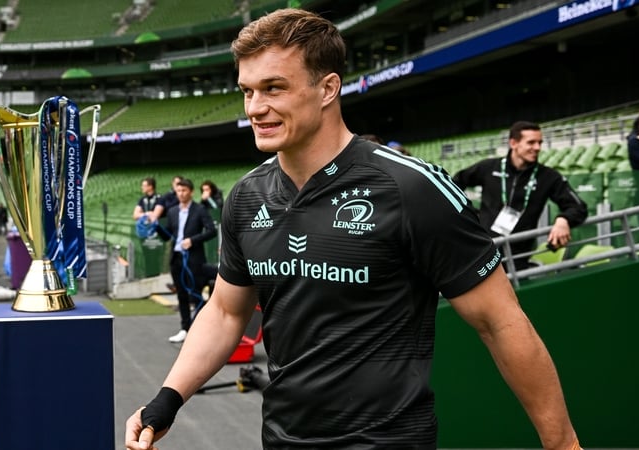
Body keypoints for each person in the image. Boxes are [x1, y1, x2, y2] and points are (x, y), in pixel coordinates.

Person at [125, 9, 580, 450]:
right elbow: (226, 312)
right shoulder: (246, 197)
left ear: (327, 89)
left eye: (273, 88)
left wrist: (562, 444)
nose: (255, 108)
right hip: (282, 439)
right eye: (247, 91)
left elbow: (500, 322)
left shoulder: (413, 188)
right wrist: (169, 398)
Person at [452, 121, 588, 270]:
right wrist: (470, 213)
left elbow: (578, 206)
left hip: (519, 256)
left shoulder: (548, 177)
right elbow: (453, 184)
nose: (537, 148)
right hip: (483, 249)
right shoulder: (489, 167)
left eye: (539, 143)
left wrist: (564, 220)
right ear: (513, 143)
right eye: (531, 142)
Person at [154, 178, 217, 343]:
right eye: (178, 191)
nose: (181, 194)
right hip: (176, 259)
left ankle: (197, 328)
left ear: (191, 192)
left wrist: (192, 240)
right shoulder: (173, 211)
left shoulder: (200, 210)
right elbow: (167, 235)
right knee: (181, 295)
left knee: (196, 295)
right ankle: (184, 328)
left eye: (184, 191)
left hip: (194, 259)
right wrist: (155, 226)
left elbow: (212, 231)